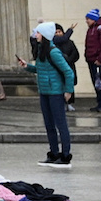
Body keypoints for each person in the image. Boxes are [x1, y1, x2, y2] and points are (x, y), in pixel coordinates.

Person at [30, 23, 75, 166]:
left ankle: (65, 155)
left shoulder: (53, 51)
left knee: (61, 124)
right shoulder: (40, 49)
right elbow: (40, 69)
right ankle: (54, 153)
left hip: (55, 92)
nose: (35, 35)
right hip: (44, 91)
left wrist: (68, 91)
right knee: (49, 124)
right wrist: (26, 67)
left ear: (44, 35)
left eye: (38, 33)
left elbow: (68, 72)